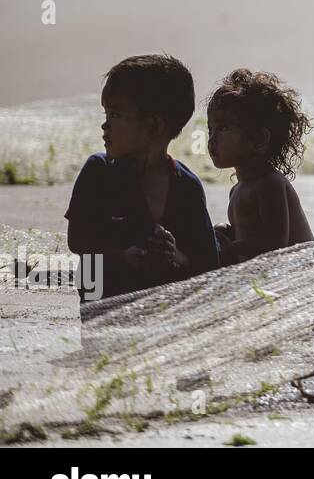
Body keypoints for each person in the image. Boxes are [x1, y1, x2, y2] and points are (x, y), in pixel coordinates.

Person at [65, 54, 219, 303]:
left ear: (154, 127)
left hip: (160, 314)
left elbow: (206, 263)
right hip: (101, 311)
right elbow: (78, 239)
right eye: (106, 115)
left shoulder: (187, 187)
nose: (105, 126)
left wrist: (173, 255)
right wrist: (121, 255)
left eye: (115, 115)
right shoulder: (99, 172)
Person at [206, 69, 314, 265]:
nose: (212, 139)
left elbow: (276, 242)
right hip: (263, 279)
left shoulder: (269, 184)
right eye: (210, 129)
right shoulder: (237, 190)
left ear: (258, 139)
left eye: (223, 128)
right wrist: (228, 234)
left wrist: (233, 247)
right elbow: (253, 234)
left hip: (292, 279)